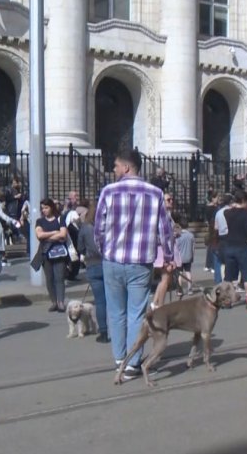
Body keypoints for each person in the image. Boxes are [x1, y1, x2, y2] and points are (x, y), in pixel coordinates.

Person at [94, 150, 174, 380]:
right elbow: (165, 230)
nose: (114, 170)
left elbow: (99, 228)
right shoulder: (155, 193)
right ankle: (132, 363)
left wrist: (104, 250)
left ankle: (120, 359)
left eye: (116, 166)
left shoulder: (108, 191)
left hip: (113, 260)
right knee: (137, 313)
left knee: (116, 312)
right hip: (141, 261)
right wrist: (167, 256)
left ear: (127, 168)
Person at [75, 202, 109, 343]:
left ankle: (103, 332)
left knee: (100, 301)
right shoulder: (107, 227)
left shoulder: (85, 228)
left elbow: (80, 247)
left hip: (93, 265)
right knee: (116, 300)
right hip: (109, 263)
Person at [222, 190, 247, 307]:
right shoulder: (246, 214)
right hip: (242, 246)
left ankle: (227, 300)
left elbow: (229, 208)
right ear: (243, 201)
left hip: (229, 245)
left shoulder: (227, 213)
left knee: (229, 275)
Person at [35, 198, 69, 312]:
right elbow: (39, 235)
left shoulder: (60, 219)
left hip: (59, 253)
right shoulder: (40, 221)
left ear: (51, 207)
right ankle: (53, 302)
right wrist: (55, 233)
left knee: (59, 278)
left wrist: (47, 237)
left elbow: (63, 234)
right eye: (42, 208)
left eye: (46, 207)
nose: (44, 210)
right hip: (45, 253)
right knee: (49, 279)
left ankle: (61, 302)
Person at [175, 218, 195, 296]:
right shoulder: (191, 235)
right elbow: (193, 247)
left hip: (180, 258)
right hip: (188, 256)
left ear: (180, 226)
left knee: (179, 273)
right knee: (188, 272)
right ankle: (190, 289)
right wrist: (192, 256)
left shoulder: (178, 236)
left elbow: (176, 248)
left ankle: (180, 290)